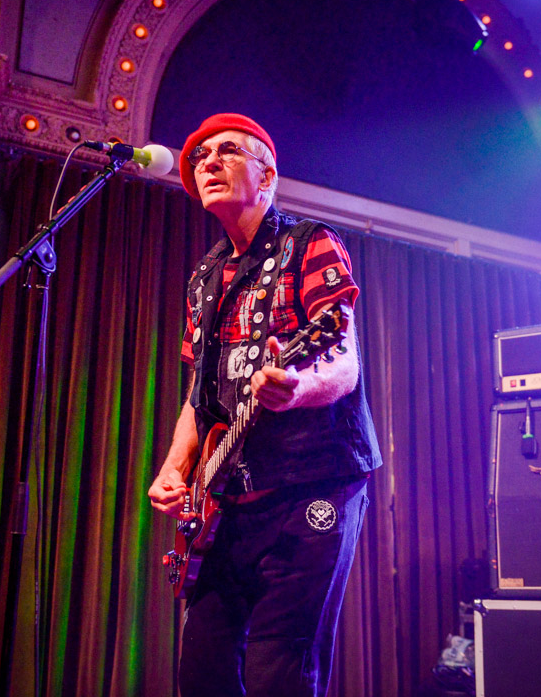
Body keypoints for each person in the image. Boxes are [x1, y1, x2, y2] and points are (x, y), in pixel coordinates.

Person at [148, 113, 383, 697]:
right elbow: (199, 395)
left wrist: (297, 388)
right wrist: (177, 468)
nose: (207, 161)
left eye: (226, 151)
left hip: (314, 484)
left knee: (281, 666)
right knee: (201, 670)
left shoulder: (310, 244)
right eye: (199, 156)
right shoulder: (205, 276)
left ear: (267, 174)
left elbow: (344, 360)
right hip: (229, 500)